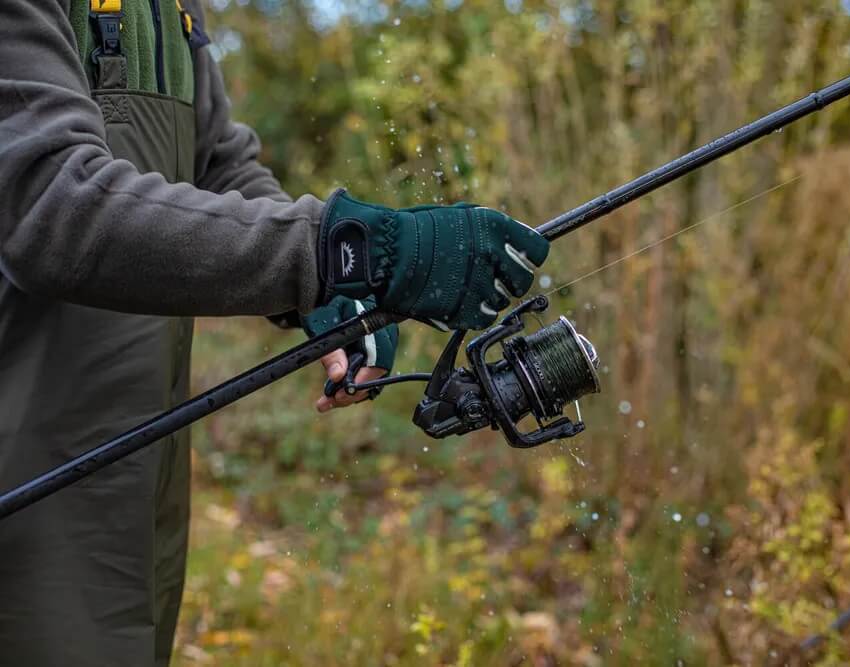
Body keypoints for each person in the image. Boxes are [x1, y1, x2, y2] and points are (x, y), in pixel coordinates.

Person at [0, 1, 549, 665]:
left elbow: (219, 163)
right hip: (23, 476)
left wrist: (331, 293)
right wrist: (338, 249)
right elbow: (51, 204)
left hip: (137, 476)